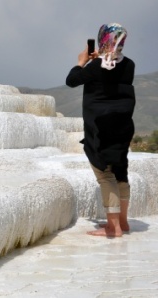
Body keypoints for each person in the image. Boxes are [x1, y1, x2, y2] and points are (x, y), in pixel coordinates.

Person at [66, 23, 136, 238]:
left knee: (105, 175)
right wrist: (99, 58)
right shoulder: (130, 65)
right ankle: (122, 222)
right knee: (120, 171)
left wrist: (82, 62)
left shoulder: (95, 67)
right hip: (123, 125)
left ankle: (112, 228)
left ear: (102, 40)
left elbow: (71, 81)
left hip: (100, 127)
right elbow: (112, 70)